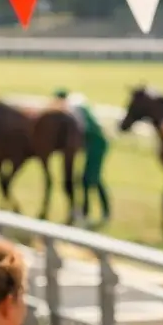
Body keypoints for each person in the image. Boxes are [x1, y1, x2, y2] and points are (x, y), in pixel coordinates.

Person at [57, 89, 110, 229]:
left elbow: (81, 127)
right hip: (94, 144)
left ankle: (93, 213)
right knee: (90, 178)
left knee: (91, 178)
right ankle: (95, 212)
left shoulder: (74, 107)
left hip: (96, 144)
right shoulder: (78, 104)